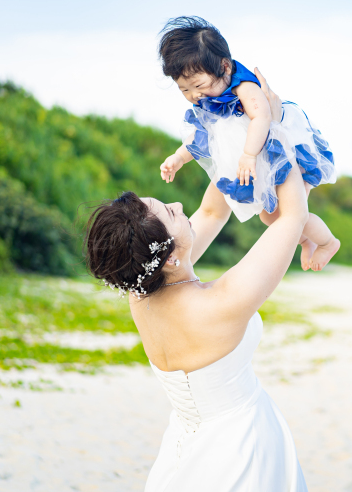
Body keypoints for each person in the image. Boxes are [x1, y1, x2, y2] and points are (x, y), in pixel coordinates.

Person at [83, 80, 309, 491]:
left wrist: (238, 131)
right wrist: (273, 129)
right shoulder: (217, 304)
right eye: (171, 211)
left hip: (185, 444)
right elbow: (293, 218)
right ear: (168, 255)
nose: (181, 206)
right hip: (241, 446)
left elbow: (212, 208)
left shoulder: (141, 292)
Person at [158, 16, 340, 272]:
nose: (194, 96)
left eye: (197, 85)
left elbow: (262, 117)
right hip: (250, 155)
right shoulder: (208, 97)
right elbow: (202, 136)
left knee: (289, 215)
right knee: (270, 217)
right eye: (184, 90)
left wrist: (248, 154)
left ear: (224, 66)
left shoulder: (243, 86)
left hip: (278, 150)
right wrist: (178, 157)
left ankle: (328, 242)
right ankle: (308, 242)